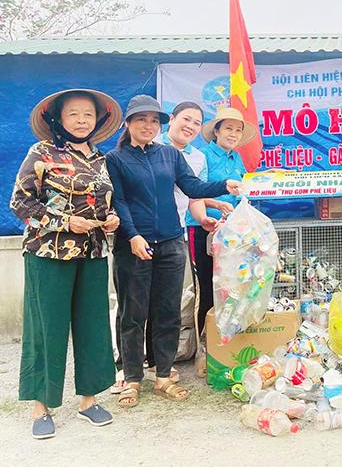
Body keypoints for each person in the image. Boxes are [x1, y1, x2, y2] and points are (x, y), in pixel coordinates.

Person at [107, 95, 242, 408]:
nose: (149, 125)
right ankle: (132, 378)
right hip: (134, 246)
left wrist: (226, 185)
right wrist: (133, 235)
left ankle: (164, 375)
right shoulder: (115, 159)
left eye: (154, 120)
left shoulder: (169, 155)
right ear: (128, 123)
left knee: (168, 312)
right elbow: (120, 202)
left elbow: (193, 187)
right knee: (133, 314)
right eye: (142, 119)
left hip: (171, 242)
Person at [10, 88, 123, 438]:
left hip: (91, 254)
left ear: (97, 120)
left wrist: (112, 218)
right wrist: (63, 222)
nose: (81, 120)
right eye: (73, 114)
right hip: (49, 256)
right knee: (48, 329)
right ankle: (41, 407)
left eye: (88, 114)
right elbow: (20, 203)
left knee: (92, 328)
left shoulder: (102, 159)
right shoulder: (41, 153)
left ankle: (89, 401)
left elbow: (103, 202)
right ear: (58, 118)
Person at [187, 107, 257, 376]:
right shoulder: (202, 156)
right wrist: (214, 210)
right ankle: (204, 351)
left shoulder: (237, 158)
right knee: (206, 289)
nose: (233, 134)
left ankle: (228, 347)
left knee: (232, 287)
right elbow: (193, 192)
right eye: (228, 128)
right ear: (215, 131)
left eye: (238, 130)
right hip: (205, 230)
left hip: (235, 234)